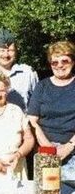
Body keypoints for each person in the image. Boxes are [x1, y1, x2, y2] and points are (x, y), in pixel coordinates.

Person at [28, 41, 75, 181]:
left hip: (72, 150)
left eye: (64, 61)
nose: (60, 65)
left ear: (73, 61)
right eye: (55, 62)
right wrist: (48, 147)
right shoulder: (42, 86)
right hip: (45, 151)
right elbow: (32, 120)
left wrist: (68, 147)